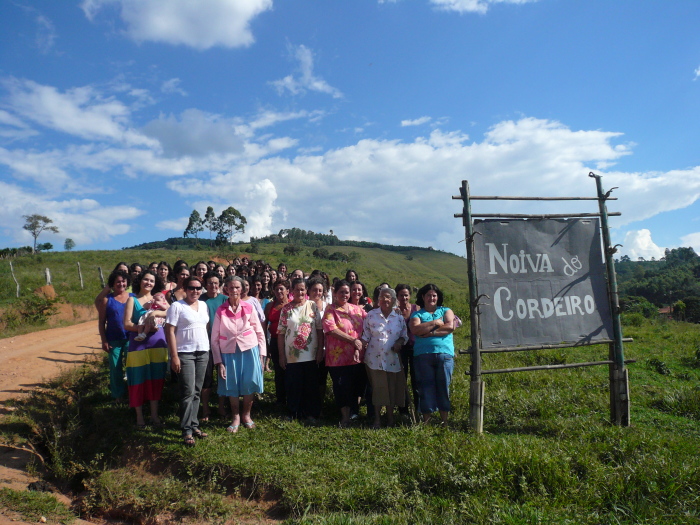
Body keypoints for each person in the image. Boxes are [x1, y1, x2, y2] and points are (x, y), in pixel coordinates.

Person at [211, 276, 267, 433]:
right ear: (226, 290)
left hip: (249, 350)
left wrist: (261, 355)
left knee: (249, 382)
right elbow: (214, 338)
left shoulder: (249, 308)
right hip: (228, 352)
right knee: (231, 384)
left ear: (242, 290)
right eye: (231, 287)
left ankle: (246, 415)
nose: (234, 290)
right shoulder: (220, 310)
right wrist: (219, 362)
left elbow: (259, 332)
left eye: (237, 287)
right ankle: (235, 416)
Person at [165, 276, 210, 446]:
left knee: (197, 390)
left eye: (199, 288)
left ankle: (194, 424)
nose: (195, 291)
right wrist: (174, 356)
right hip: (185, 353)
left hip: (202, 352)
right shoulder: (177, 306)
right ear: (185, 288)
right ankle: (186, 430)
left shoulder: (204, 305)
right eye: (192, 287)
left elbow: (204, 326)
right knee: (187, 391)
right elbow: (170, 331)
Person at [123, 271, 169, 428]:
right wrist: (143, 328)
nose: (148, 283)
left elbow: (171, 313)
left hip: (158, 345)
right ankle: (140, 417)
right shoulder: (132, 300)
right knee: (137, 380)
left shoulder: (160, 299)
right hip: (138, 345)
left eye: (152, 280)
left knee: (156, 379)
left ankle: (155, 416)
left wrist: (156, 311)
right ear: (140, 281)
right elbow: (127, 324)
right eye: (146, 280)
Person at [322, 279, 367, 427]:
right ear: (335, 293)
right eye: (341, 292)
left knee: (356, 386)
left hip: (357, 356)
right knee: (341, 386)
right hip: (337, 358)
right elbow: (331, 329)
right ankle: (344, 416)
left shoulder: (358, 310)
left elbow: (371, 322)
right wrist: (353, 340)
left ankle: (354, 413)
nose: (344, 295)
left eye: (347, 292)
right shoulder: (331, 309)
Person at [409, 284, 455, 426]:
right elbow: (415, 329)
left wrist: (430, 332)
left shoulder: (446, 310)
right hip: (423, 355)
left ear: (438, 297)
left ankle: (444, 420)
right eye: (428, 295)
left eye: (434, 295)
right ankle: (427, 421)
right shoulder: (417, 314)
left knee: (443, 386)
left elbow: (450, 326)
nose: (432, 298)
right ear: (423, 297)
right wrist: (435, 322)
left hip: (444, 354)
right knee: (425, 387)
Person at [277, 278, 323, 421]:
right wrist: (281, 355)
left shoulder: (312, 306)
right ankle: (293, 412)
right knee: (293, 385)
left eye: (302, 289)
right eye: (297, 289)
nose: (300, 292)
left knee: (311, 386)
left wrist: (320, 350)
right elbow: (281, 333)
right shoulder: (286, 309)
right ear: (292, 291)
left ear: (306, 290)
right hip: (292, 355)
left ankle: (311, 413)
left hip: (311, 354)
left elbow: (320, 330)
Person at [361, 288, 408, 428]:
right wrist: (359, 345)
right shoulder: (371, 315)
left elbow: (404, 336)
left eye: (388, 297)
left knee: (391, 389)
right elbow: (366, 335)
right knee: (378, 388)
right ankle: (377, 419)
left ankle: (390, 419)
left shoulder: (398, 317)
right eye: (382, 297)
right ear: (378, 299)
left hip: (392, 359)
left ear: (393, 300)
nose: (385, 300)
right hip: (374, 359)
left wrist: (399, 343)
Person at [96, 269, 133, 403]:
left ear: (127, 282)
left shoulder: (133, 297)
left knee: (132, 367)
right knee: (115, 368)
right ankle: (118, 396)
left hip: (131, 339)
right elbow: (101, 323)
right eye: (118, 282)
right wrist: (104, 341)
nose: (121, 284)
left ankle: (133, 394)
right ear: (112, 284)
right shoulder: (107, 300)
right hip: (114, 340)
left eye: (123, 281)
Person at [200, 271, 228, 420]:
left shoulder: (226, 300)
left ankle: (221, 407)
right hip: (205, 344)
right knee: (207, 378)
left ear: (220, 284)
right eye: (210, 283)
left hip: (224, 344)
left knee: (222, 377)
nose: (213, 286)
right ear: (205, 284)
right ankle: (205, 409)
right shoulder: (200, 300)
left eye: (216, 283)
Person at [263, 279, 289, 400]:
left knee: (290, 370)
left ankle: (291, 396)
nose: (279, 291)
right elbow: (264, 326)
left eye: (281, 289)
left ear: (287, 291)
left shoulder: (292, 305)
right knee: (278, 370)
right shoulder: (269, 306)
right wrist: (265, 344)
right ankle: (280, 399)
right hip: (274, 341)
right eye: (276, 289)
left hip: (290, 342)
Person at [395, 283, 419, 410]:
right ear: (397, 296)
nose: (403, 298)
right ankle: (403, 410)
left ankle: (418, 408)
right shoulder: (394, 311)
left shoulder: (417, 309)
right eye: (401, 295)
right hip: (400, 349)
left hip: (415, 348)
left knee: (416, 379)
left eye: (406, 295)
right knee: (401, 379)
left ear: (410, 296)